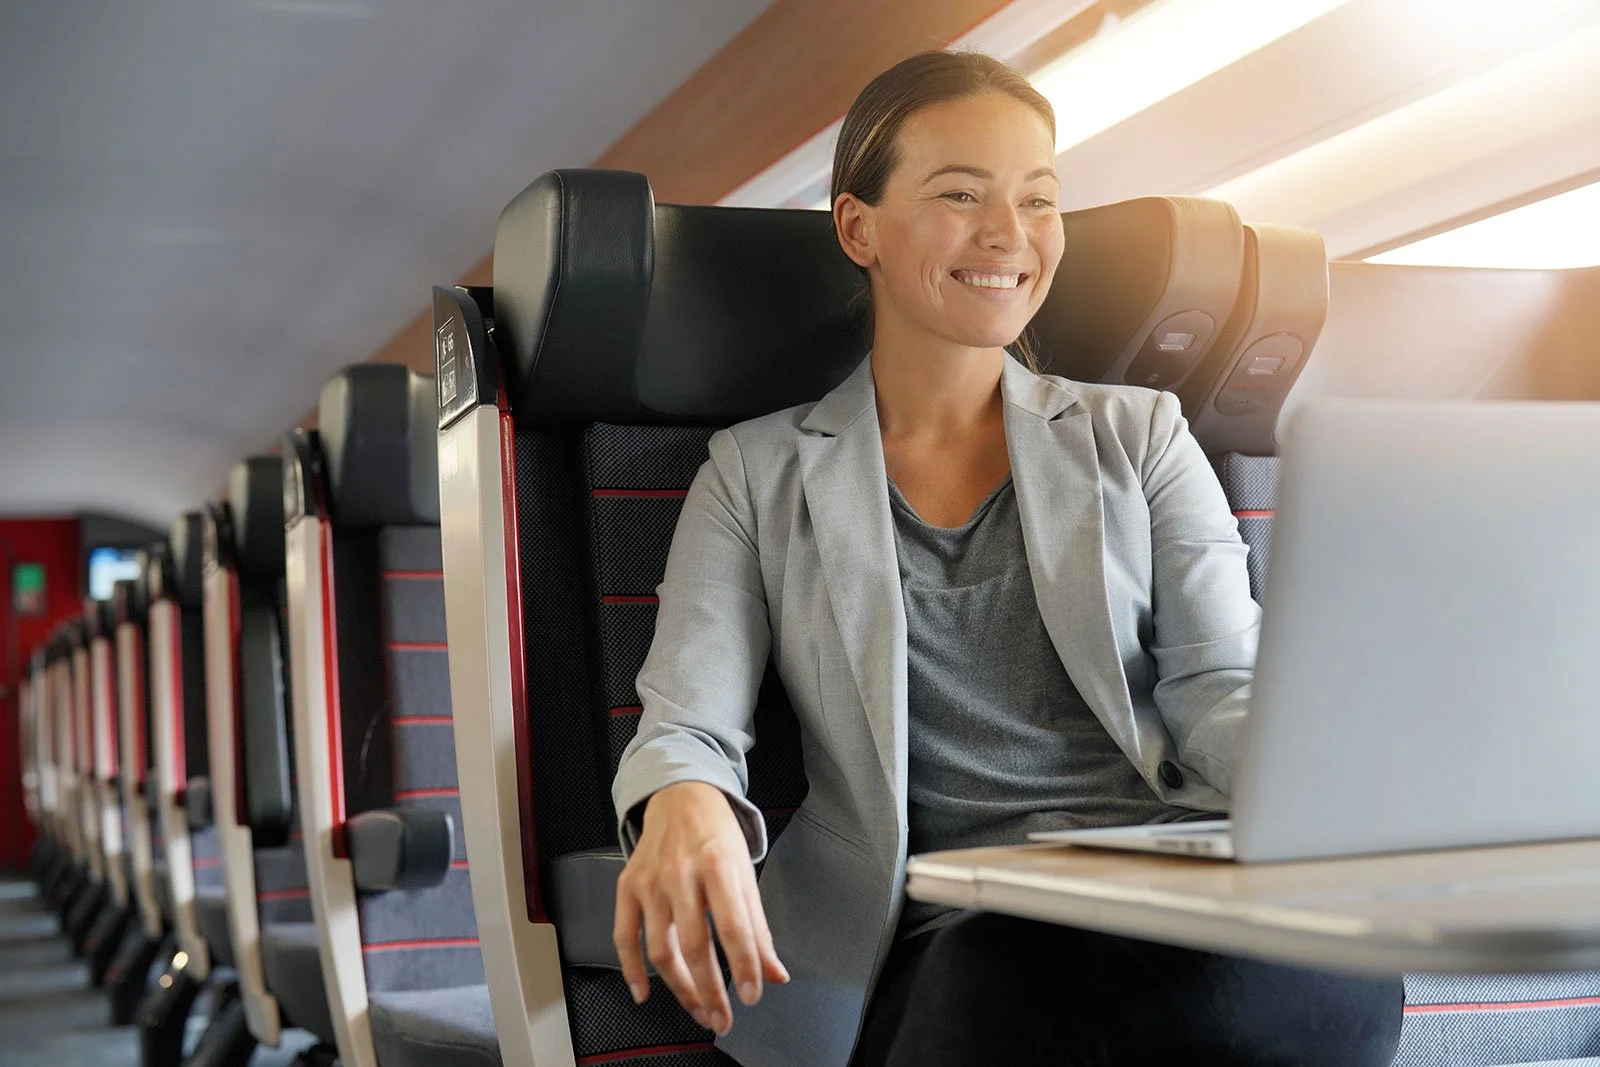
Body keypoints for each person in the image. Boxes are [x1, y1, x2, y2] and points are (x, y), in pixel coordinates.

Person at [610, 50, 1403, 1067]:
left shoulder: (1142, 435)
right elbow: (688, 721)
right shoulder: (754, 473)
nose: (1009, 235)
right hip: (949, 924)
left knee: (1339, 957)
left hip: (1166, 882)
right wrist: (686, 802)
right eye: (960, 194)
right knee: (1019, 976)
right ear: (859, 228)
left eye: (1039, 199)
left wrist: (1332, 786)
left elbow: (1219, 686)